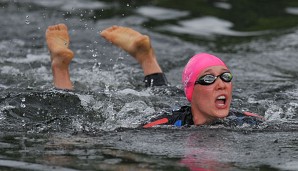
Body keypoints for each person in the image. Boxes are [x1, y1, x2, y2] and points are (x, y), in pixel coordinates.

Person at [46, 24, 264, 128]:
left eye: (226, 77)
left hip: (172, 98)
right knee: (74, 104)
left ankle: (146, 56)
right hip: (164, 106)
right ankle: (61, 65)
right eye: (208, 78)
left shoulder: (245, 120)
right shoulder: (165, 123)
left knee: (161, 91)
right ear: (191, 91)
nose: (220, 84)